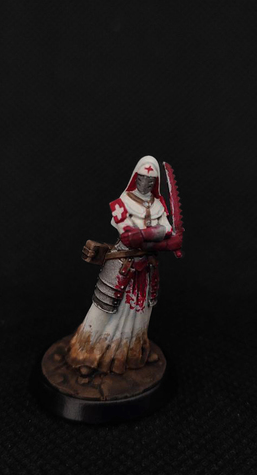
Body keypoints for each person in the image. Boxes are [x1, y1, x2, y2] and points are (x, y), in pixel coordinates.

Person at [66, 156, 182, 376]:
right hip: (122, 265)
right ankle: (86, 355)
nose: (146, 182)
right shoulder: (122, 202)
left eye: (151, 179)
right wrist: (161, 239)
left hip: (146, 268)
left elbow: (167, 230)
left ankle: (133, 354)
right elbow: (129, 237)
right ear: (135, 177)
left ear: (155, 182)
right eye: (142, 177)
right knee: (103, 308)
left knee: (140, 312)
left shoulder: (158, 204)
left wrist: (154, 236)